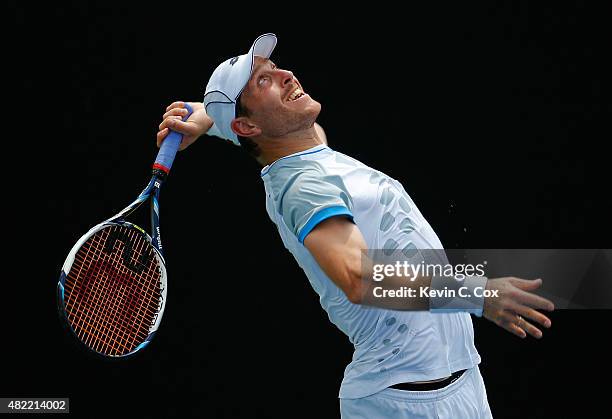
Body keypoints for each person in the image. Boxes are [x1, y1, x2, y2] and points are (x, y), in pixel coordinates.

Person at [156, 33, 555, 419]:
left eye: (275, 68)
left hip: (458, 385)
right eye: (265, 80)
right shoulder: (303, 186)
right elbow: (358, 278)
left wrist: (205, 114)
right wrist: (478, 295)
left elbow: (254, 127)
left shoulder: (308, 147)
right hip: (404, 402)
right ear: (248, 127)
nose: (286, 75)